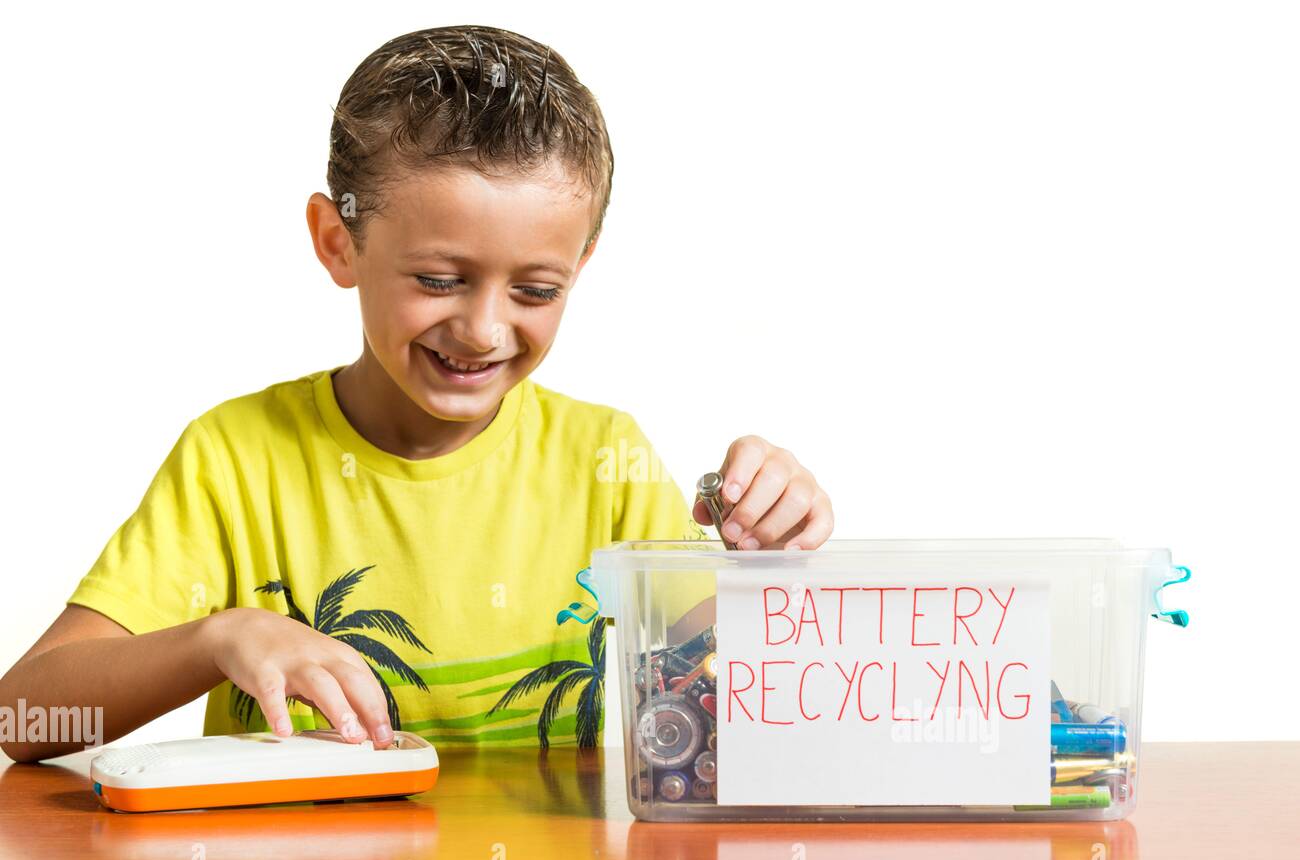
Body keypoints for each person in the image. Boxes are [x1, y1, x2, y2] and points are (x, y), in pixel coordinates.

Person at [0, 25, 832, 763]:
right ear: (338, 243)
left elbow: (760, 704)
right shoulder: (235, 459)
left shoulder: (603, 459)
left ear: (580, 267)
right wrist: (216, 639)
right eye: (439, 278)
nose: (481, 328)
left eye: (536, 291)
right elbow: (23, 714)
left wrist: (768, 560)